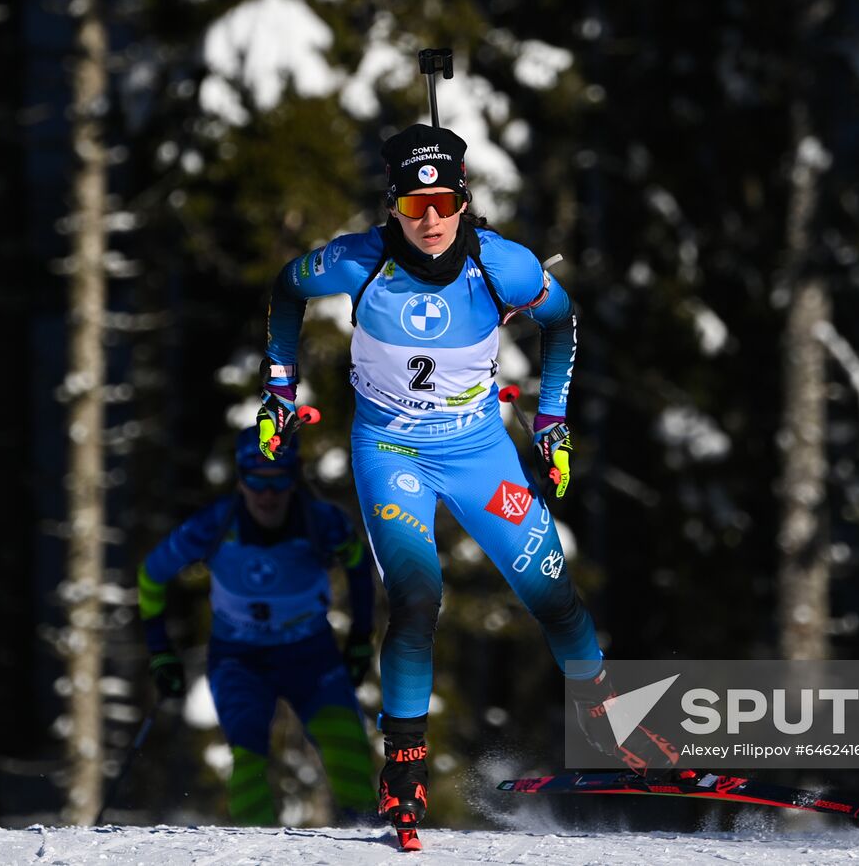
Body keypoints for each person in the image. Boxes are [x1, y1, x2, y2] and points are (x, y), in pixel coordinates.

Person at [253, 124, 678, 832]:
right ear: (393, 206)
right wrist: (278, 387)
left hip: (479, 453)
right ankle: (405, 771)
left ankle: (611, 726)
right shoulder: (358, 262)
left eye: (444, 203)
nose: (431, 222)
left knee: (555, 598)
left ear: (462, 200)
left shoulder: (500, 265)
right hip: (392, 456)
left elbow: (563, 322)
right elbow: (287, 288)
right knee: (417, 602)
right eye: (415, 207)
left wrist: (551, 423)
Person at [137, 427, 377, 825]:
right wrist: (161, 652)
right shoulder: (213, 524)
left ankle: (375, 840)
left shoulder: (324, 522)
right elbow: (151, 576)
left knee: (348, 750)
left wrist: (360, 640)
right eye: (255, 480)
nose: (267, 494)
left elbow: (359, 569)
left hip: (311, 655)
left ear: (295, 476)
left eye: (279, 479)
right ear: (239, 478)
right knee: (248, 757)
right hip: (239, 659)